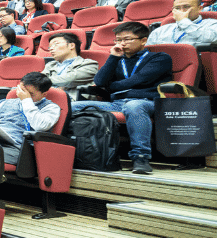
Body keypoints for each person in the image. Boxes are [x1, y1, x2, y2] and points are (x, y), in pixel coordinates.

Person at [71, 22, 172, 175]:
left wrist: (113, 86)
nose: (121, 44)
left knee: (134, 106)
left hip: (149, 102)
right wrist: (113, 57)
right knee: (73, 106)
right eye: (118, 40)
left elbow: (140, 79)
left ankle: (140, 157)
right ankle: (76, 152)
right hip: (117, 103)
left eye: (126, 39)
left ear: (143, 40)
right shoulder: (117, 59)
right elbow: (100, 81)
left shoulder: (159, 57)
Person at [0, 72, 60, 165]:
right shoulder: (7, 103)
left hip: (19, 151)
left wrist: (26, 100)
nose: (23, 95)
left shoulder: (51, 108)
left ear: (44, 94)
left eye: (30, 94)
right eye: (22, 91)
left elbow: (40, 126)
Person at [41, 32, 99, 100]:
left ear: (71, 45)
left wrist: (46, 82)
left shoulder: (90, 64)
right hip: (49, 101)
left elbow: (69, 80)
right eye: (50, 47)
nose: (51, 49)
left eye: (55, 44)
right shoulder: (50, 65)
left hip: (74, 102)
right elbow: (38, 82)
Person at [147, 0, 217, 46]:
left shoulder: (212, 24)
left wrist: (183, 21)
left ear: (200, 8)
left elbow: (212, 39)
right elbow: (148, 51)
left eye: (186, 7)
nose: (181, 11)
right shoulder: (161, 30)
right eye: (177, 8)